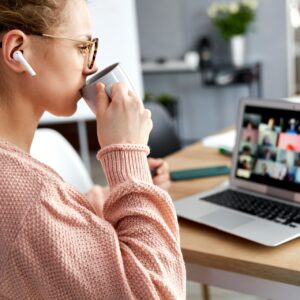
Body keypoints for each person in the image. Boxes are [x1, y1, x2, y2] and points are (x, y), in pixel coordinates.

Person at [0, 1, 186, 299]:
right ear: (17, 51)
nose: (92, 66)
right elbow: (158, 293)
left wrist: (126, 189)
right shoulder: (29, 196)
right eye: (83, 46)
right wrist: (127, 155)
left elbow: (53, 221)